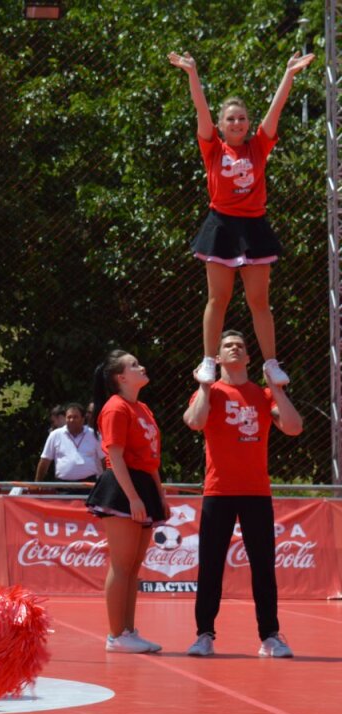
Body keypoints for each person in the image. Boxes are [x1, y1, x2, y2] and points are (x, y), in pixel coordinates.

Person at [168, 50, 315, 388]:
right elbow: (200, 109)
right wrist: (192, 72)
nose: (237, 123)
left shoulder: (259, 146)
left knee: (259, 301)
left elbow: (275, 111)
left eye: (242, 118)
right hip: (221, 226)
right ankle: (208, 360)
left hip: (254, 227)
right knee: (218, 298)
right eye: (230, 119)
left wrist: (289, 73)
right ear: (221, 126)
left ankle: (271, 364)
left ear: (248, 124)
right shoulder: (213, 148)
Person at [183, 330, 302, 658]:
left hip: (256, 492)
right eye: (227, 346)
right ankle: (204, 634)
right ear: (217, 357)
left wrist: (276, 390)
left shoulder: (262, 395)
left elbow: (293, 427)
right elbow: (194, 422)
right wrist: (204, 385)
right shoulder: (211, 391)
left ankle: (270, 636)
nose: (234, 348)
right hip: (218, 491)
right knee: (210, 565)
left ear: (249, 358)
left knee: (263, 565)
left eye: (240, 346)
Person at [85, 350, 167, 654]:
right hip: (122, 486)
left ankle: (128, 631)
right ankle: (116, 634)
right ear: (121, 378)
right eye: (134, 365)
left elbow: (151, 459)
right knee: (121, 565)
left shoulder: (142, 408)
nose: (141, 366)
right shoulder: (115, 408)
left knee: (133, 566)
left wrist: (159, 494)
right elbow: (114, 456)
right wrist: (132, 497)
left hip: (143, 484)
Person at [35, 403, 104, 491]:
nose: (71, 420)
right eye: (69, 417)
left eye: (75, 417)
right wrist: (37, 484)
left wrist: (108, 483)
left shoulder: (94, 435)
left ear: (83, 419)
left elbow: (104, 461)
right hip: (62, 486)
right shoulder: (55, 435)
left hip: (89, 486)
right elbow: (44, 461)